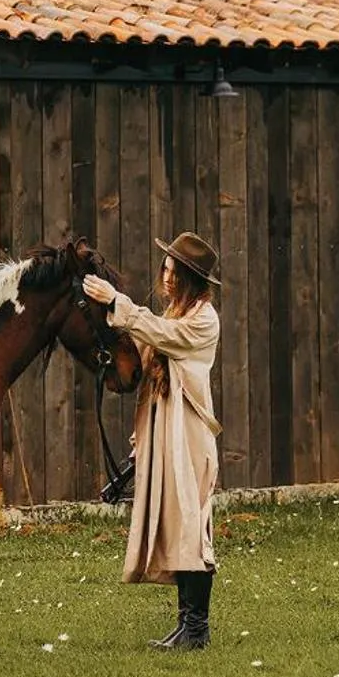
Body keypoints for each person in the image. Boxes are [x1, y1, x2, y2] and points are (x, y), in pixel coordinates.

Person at [82, 232, 223, 651]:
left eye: (170, 269)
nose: (164, 275)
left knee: (192, 529)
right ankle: (187, 624)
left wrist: (117, 303)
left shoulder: (201, 320)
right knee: (178, 527)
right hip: (166, 435)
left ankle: (197, 628)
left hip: (189, 438)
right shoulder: (176, 313)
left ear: (186, 278)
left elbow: (163, 335)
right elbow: (147, 366)